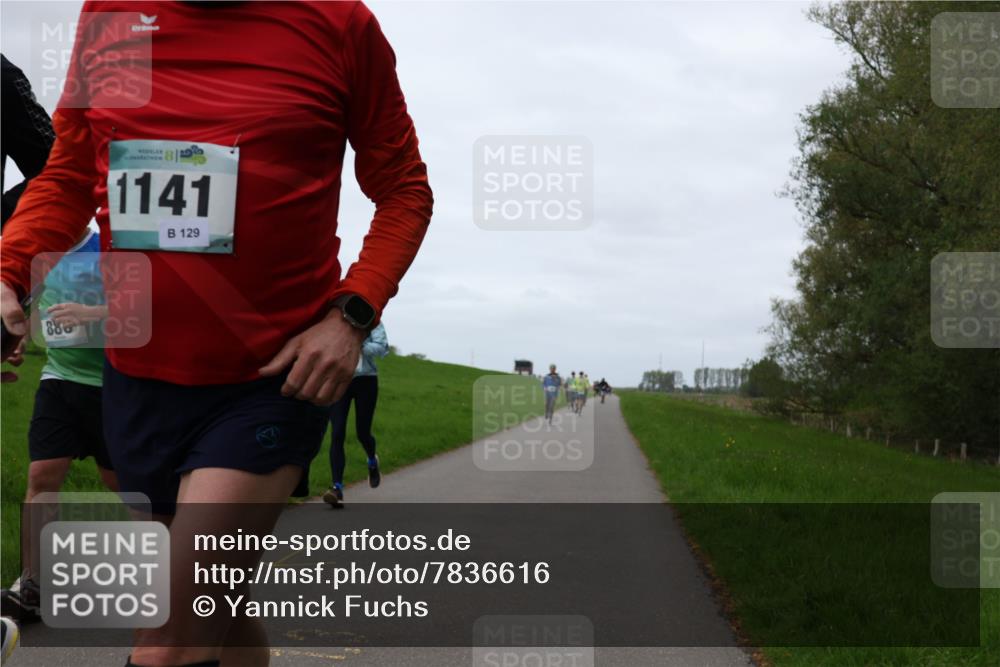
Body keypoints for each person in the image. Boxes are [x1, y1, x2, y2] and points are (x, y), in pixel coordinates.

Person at [0, 3, 433, 666]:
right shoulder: (112, 14)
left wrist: (352, 314)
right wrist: (9, 272)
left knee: (169, 636)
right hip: (138, 381)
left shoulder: (338, 24)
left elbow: (404, 188)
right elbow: (68, 173)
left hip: (269, 380)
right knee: (215, 616)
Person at [0, 227, 118, 625]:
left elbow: (148, 305)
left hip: (117, 385)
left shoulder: (109, 243)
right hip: (60, 379)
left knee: (126, 485)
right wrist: (16, 340)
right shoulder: (35, 249)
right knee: (42, 476)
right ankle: (33, 585)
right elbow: (33, 304)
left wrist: (92, 314)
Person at [323, 321, 389, 508]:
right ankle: (336, 488)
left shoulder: (371, 320)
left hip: (366, 381)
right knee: (337, 433)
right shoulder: (334, 320)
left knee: (362, 432)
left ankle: (371, 460)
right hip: (340, 379)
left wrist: (357, 343)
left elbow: (382, 348)